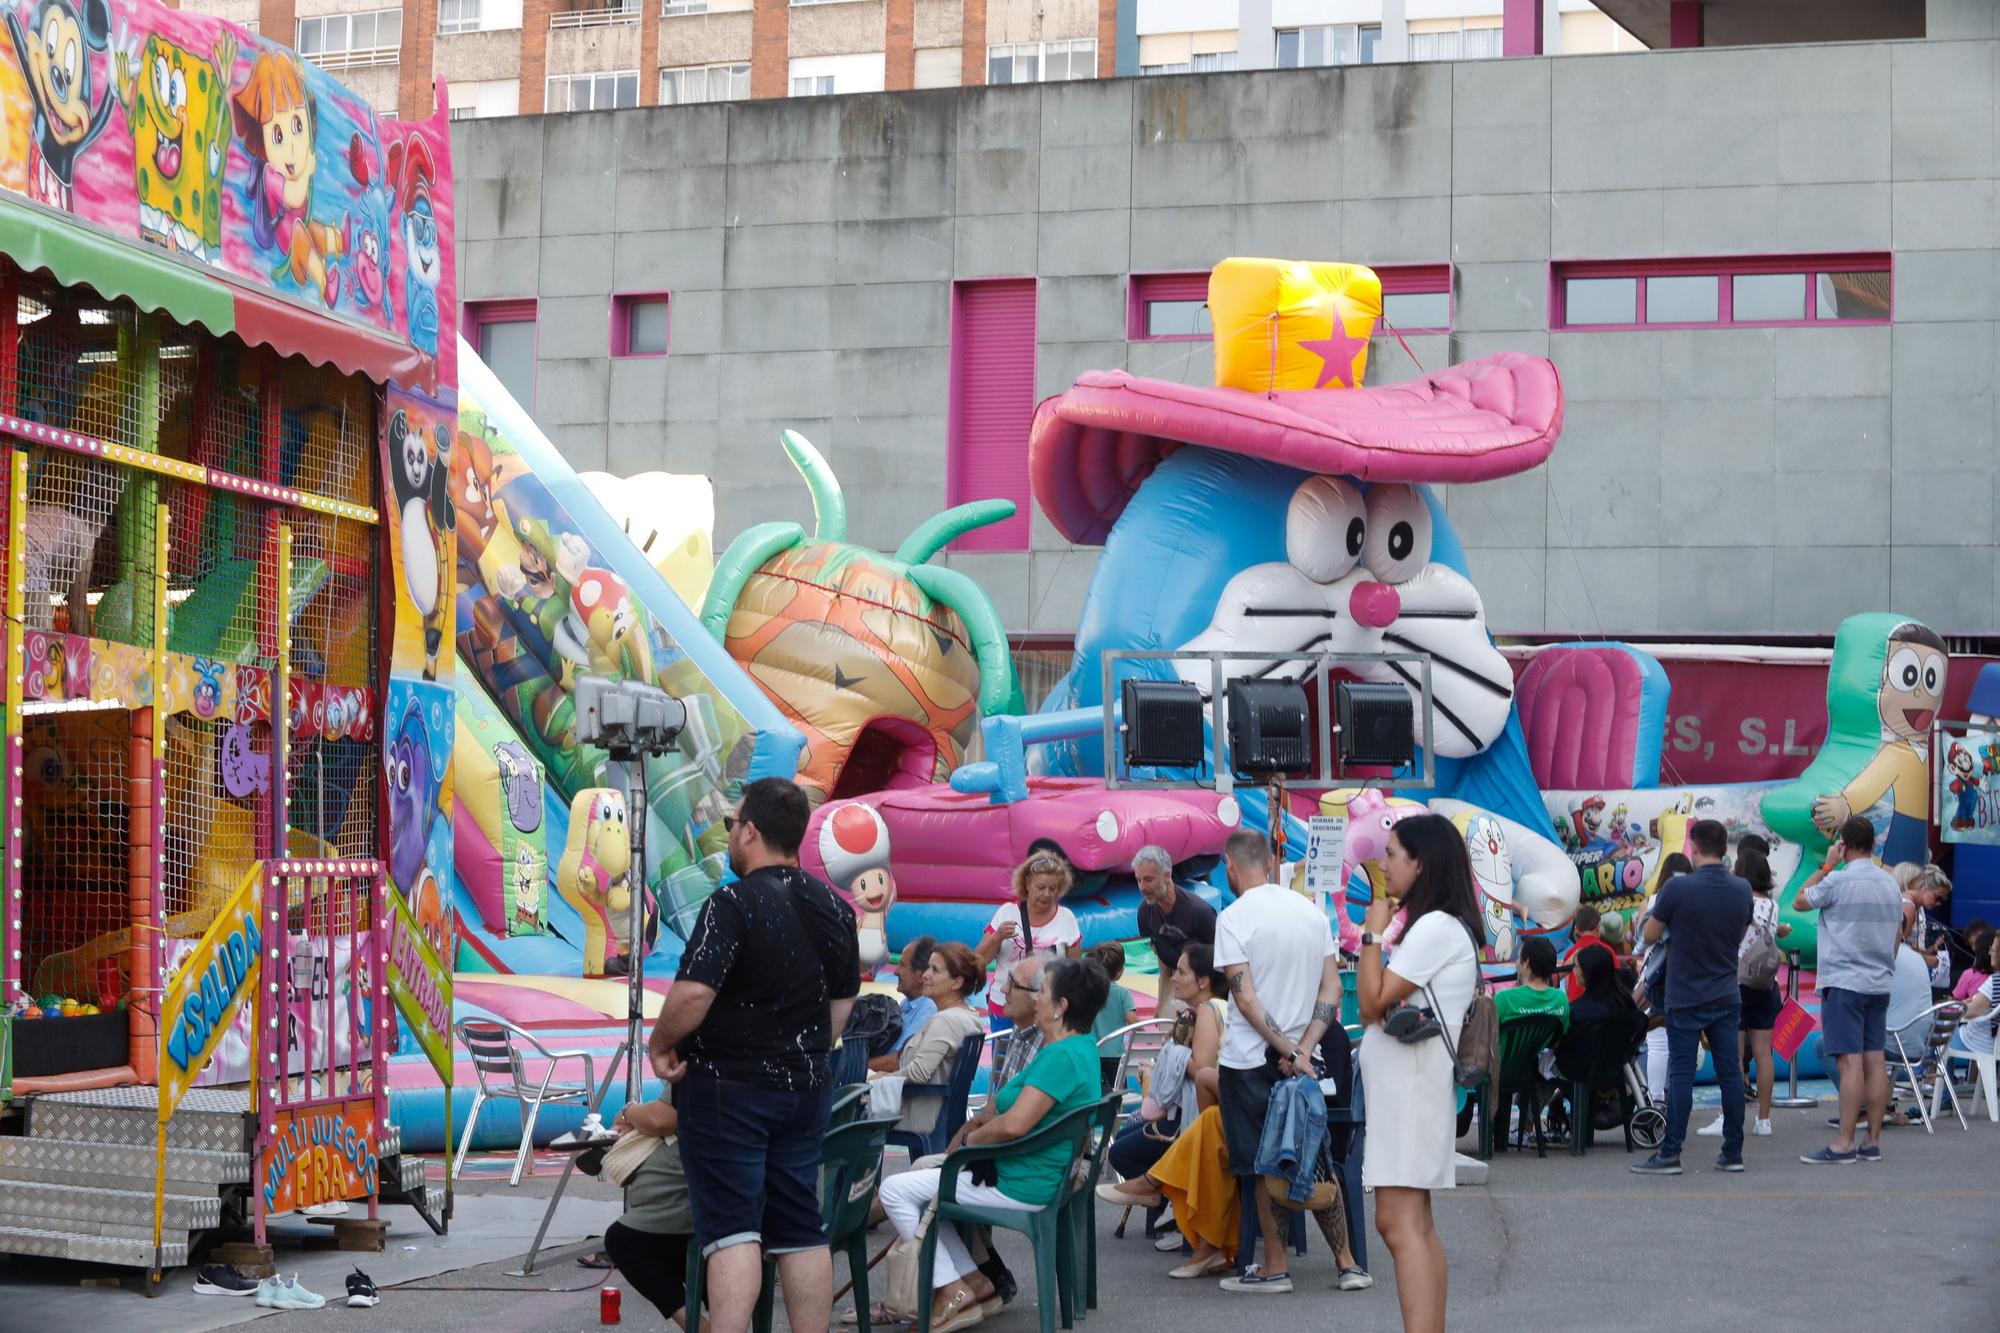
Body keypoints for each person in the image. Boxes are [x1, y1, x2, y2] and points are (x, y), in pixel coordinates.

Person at [647, 777, 861, 1333]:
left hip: (728, 1092)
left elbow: (694, 994)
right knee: (799, 1227)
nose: (730, 836)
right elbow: (840, 1008)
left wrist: (661, 1043)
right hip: (806, 1089)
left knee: (733, 1230)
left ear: (751, 830)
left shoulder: (733, 902)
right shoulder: (835, 910)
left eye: (731, 825)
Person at [876, 956, 1110, 1332]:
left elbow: (1014, 1125)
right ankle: (973, 1282)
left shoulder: (1061, 1057)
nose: (1037, 1000)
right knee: (917, 1187)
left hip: (1022, 1182)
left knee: (894, 1191)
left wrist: (972, 1140)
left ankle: (954, 1287)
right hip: (1026, 1172)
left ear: (1061, 1006)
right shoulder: (1077, 1048)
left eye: (1044, 992)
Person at [1352, 812, 1484, 1333]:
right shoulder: (1443, 926)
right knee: (1415, 1224)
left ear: (1420, 864)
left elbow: (1370, 1002)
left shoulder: (1432, 927)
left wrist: (1371, 934)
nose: (1384, 866)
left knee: (1399, 1224)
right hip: (1413, 1086)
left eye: (1391, 856)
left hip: (1408, 1089)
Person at [1210, 830, 1341, 1296]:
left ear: (1230, 865)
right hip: (1307, 1056)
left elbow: (1244, 1001)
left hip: (1249, 1060)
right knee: (1315, 1154)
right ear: (1270, 863)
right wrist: (1302, 1050)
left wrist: (1285, 1049)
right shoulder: (1311, 912)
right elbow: (1332, 990)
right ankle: (1348, 1264)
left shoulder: (1232, 918)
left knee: (1263, 1164)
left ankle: (1275, 1267)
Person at [1630, 820, 1752, 1176]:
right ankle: (1733, 1152)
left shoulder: (1678, 890)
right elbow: (1740, 933)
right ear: (1725, 848)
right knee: (1730, 1073)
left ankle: (1671, 1152)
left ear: (1693, 848)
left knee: (1680, 1074)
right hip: (1726, 993)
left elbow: (1649, 935)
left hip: (1685, 994)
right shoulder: (1742, 889)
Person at [1793, 815, 1904, 1165]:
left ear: (1844, 843)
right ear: (1872, 844)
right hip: (1879, 982)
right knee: (1875, 1061)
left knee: (1849, 1064)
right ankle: (1872, 1141)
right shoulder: (1891, 886)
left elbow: (1799, 901)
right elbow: (1897, 937)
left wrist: (1827, 863)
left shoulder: (1838, 880)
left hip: (1844, 983)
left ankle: (1844, 1143)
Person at [1697, 845, 1792, 1140]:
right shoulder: (1773, 907)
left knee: (1733, 1056)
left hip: (1734, 983)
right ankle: (1764, 1120)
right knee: (1764, 1054)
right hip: (1765, 986)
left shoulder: (1736, 900)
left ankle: (1729, 1116)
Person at [597, 1092, 697, 1327]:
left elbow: (661, 1119)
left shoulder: (695, 1060)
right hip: (705, 1200)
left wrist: (628, 1111)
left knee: (623, 1241)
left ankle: (702, 1327)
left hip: (695, 1206)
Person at [871, 942, 988, 1134]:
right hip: (939, 1113)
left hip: (918, 1116)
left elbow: (919, 1072)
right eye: (928, 968)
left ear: (956, 983)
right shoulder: (969, 1016)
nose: (925, 975)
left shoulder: (945, 1021)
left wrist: (882, 1078)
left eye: (934, 970)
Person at [974, 852, 1083, 1031]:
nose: (1046, 894)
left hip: (1045, 1007)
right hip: (1006, 1005)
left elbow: (1075, 967)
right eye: (1040, 887)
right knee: (1004, 1058)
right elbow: (980, 959)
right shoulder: (1007, 912)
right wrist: (997, 937)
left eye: (1053, 888)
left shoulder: (1066, 918)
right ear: (1027, 884)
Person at [1635, 852, 1693, 1106]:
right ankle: (1678, 1097)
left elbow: (1642, 939)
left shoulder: (1652, 901)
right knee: (1683, 1041)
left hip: (1657, 974)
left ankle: (1656, 1098)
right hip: (1690, 975)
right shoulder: (1695, 899)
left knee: (1658, 1041)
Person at [1134, 844, 1217, 1017]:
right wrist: (1162, 1000)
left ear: (1167, 876)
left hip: (1206, 989)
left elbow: (1220, 965)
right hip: (1177, 982)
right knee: (1166, 1028)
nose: (1142, 887)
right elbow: (1162, 957)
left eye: (1148, 879)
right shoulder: (1145, 912)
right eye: (1138, 880)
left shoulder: (1199, 912)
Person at [875, 936, 938, 1064]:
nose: (896, 971)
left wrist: (859, 1066)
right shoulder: (910, 1002)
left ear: (921, 975)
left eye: (902, 965)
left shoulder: (928, 1009)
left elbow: (900, 1060)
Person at [1088, 941, 1139, 1093]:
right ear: (1120, 971)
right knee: (1117, 1094)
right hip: (1115, 1057)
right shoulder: (1122, 994)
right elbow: (1132, 1020)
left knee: (1095, 1092)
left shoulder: (1089, 993)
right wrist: (1146, 1033)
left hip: (1093, 1054)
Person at [1497, 937, 1571, 1030]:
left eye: (1519, 957)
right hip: (1544, 1044)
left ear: (1527, 963)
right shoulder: (1561, 1000)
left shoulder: (1504, 999)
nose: (1517, 962)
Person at [1560, 905, 1610, 1001]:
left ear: (1576, 929)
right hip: (1602, 1007)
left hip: (1575, 1006)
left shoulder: (1570, 952)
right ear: (1598, 926)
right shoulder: (1607, 951)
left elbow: (1567, 985)